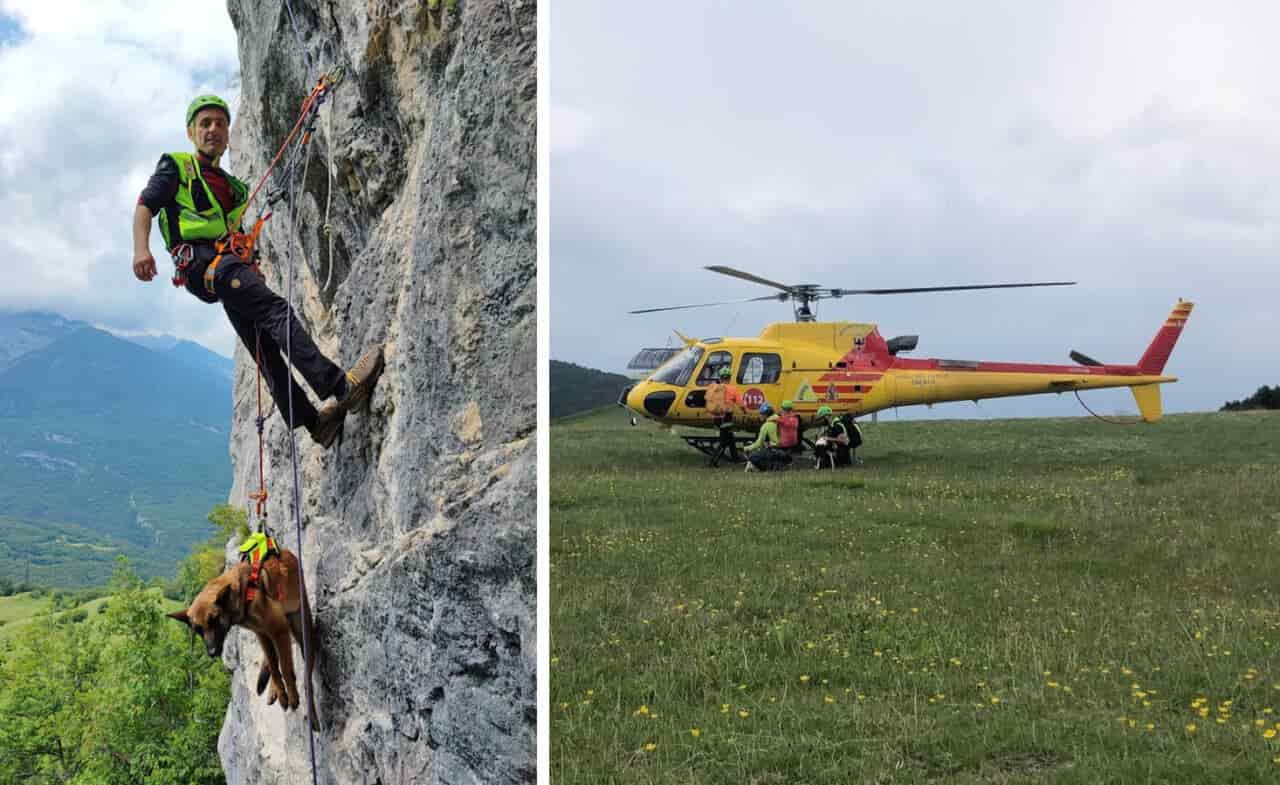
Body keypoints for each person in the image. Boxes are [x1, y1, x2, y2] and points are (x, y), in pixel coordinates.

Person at [132, 95, 382, 448]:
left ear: (228, 131)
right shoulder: (176, 167)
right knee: (276, 311)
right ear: (191, 132)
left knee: (262, 344)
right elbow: (146, 205)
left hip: (221, 267)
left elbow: (233, 233)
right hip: (203, 262)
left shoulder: (233, 188)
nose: (213, 130)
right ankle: (341, 386)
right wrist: (141, 250)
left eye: (220, 123)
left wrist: (249, 264)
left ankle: (315, 424)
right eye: (205, 123)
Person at [705, 365, 741, 467]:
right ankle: (712, 462)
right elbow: (740, 403)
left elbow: (708, 400)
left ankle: (735, 458)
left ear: (720, 378)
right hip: (726, 417)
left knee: (730, 437)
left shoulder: (714, 388)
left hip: (716, 418)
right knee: (724, 441)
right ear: (729, 378)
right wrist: (745, 411)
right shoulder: (733, 389)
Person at [744, 402, 791, 472]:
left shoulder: (766, 426)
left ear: (765, 414)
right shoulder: (780, 420)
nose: (760, 416)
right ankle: (780, 464)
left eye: (761, 414)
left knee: (753, 457)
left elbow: (758, 444)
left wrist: (746, 448)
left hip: (775, 451)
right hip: (787, 453)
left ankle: (771, 467)